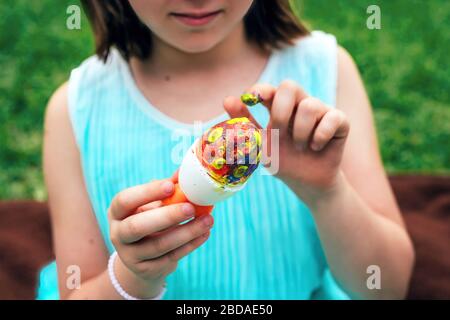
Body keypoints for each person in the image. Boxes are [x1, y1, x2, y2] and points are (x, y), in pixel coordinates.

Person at [39, 0, 414, 299]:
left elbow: (387, 287)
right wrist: (133, 276)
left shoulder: (324, 71)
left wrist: (326, 193)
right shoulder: (77, 110)